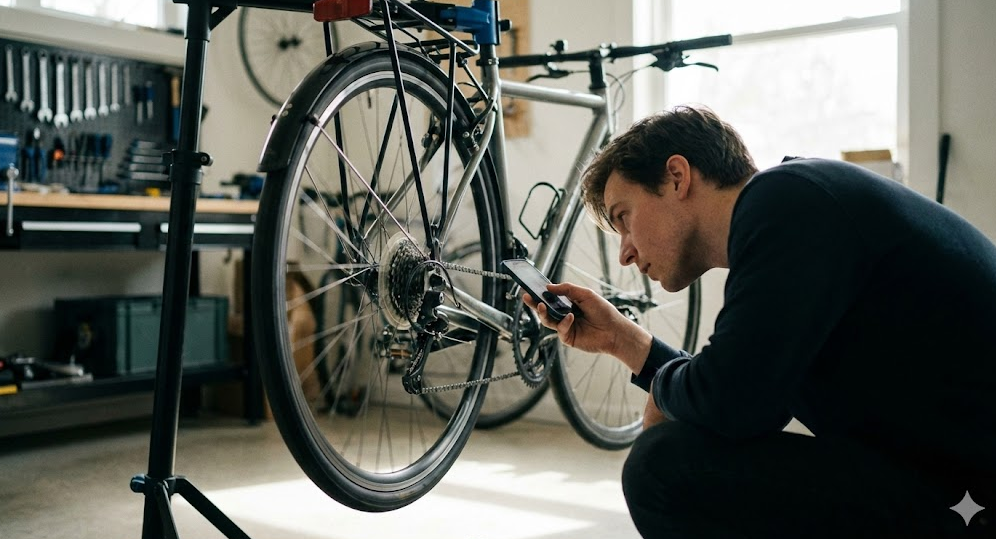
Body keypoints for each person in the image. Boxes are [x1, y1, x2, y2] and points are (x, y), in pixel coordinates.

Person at [523, 105, 995, 538]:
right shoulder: (795, 203)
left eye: (625, 218)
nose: (625, 251)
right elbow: (741, 385)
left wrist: (665, 386)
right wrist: (624, 342)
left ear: (676, 176)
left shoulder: (786, 201)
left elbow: (735, 403)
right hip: (930, 475)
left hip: (947, 480)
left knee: (664, 467)